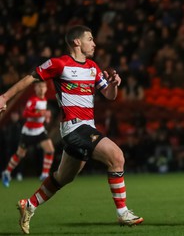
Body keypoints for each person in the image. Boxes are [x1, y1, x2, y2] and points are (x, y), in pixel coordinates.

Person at [0, 25, 143, 234]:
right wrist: (4, 97)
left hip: (84, 128)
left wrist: (114, 84)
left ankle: (29, 204)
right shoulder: (59, 64)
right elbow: (30, 78)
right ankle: (122, 213)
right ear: (77, 42)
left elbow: (109, 95)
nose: (94, 43)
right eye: (90, 39)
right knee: (117, 157)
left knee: (62, 177)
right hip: (74, 127)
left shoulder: (93, 67)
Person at [2, 81, 54, 187]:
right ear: (35, 88)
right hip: (29, 131)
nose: (41, 89)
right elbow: (25, 113)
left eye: (43, 87)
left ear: (46, 89)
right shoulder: (33, 100)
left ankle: (44, 174)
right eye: (39, 86)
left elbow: (42, 115)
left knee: (50, 150)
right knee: (20, 154)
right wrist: (41, 113)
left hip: (39, 130)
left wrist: (46, 117)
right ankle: (7, 172)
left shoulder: (44, 99)